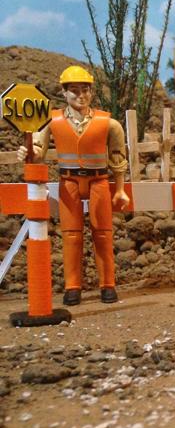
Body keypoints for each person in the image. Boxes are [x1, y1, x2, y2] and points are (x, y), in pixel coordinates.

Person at [17, 66, 130, 306]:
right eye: (74, 90)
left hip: (99, 180)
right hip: (68, 181)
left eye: (85, 90)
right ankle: (72, 287)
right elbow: (39, 151)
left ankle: (107, 284)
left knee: (103, 233)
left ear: (91, 92)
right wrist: (29, 151)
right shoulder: (52, 121)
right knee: (71, 236)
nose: (81, 95)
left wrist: (119, 188)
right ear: (64, 93)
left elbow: (118, 158)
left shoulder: (108, 123)